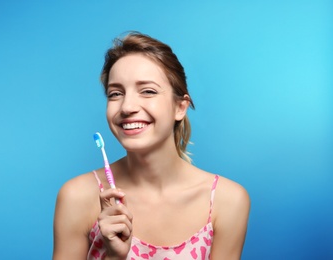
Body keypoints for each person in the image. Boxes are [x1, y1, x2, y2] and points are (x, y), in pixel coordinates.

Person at [53, 32, 250, 260]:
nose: (127, 107)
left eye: (148, 91)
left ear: (180, 107)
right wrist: (115, 257)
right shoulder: (77, 197)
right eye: (115, 93)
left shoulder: (227, 201)